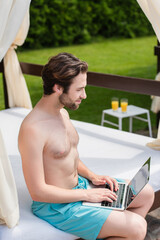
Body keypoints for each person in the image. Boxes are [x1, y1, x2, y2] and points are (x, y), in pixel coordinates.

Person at [18, 52, 154, 240]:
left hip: (80, 188)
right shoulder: (32, 129)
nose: (85, 95)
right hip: (57, 206)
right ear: (58, 88)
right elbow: (38, 192)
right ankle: (127, 229)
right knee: (138, 227)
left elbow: (68, 155)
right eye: (79, 89)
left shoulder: (62, 114)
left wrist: (93, 176)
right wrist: (87, 196)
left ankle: (119, 229)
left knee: (145, 193)